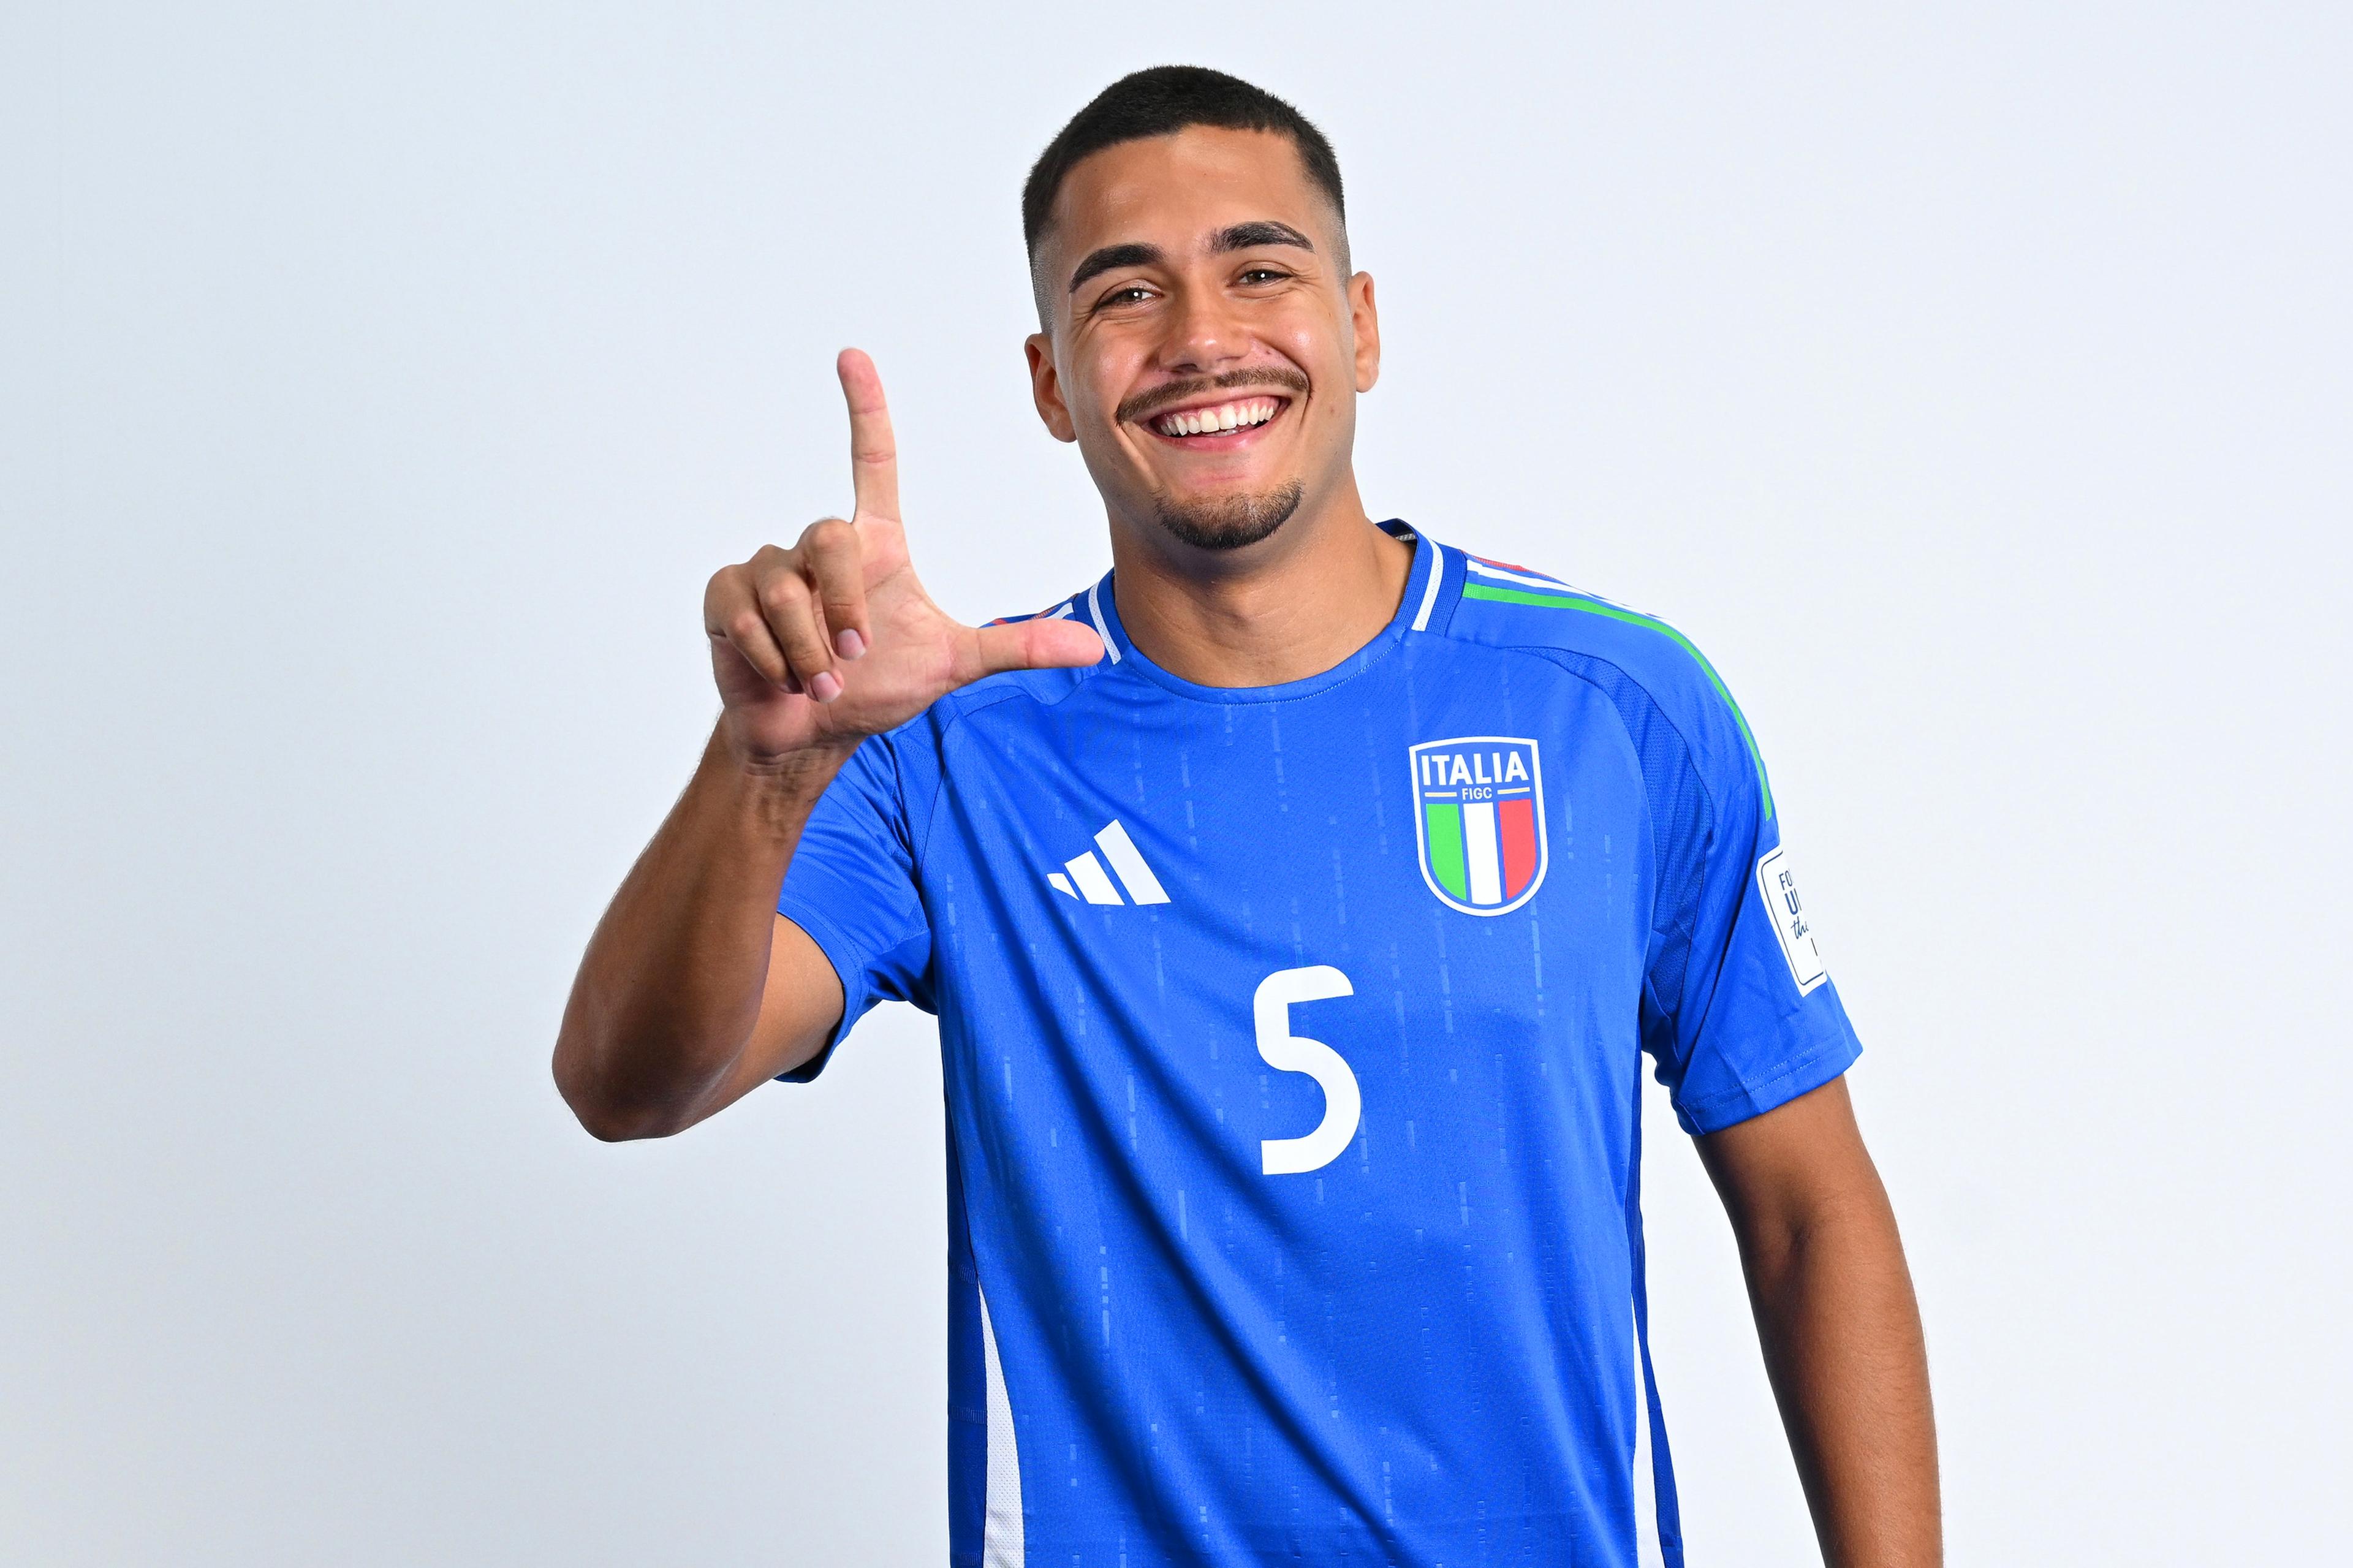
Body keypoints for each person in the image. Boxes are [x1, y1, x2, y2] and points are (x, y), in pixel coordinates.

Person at [554, 64, 1939, 1568]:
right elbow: (630, 1081)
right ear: (1049, 382)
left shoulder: (1616, 711)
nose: (1202, 338)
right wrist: (767, 765)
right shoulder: (940, 754)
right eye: (1125, 293)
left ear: (1359, 322)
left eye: (1258, 268)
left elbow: (1810, 1210)